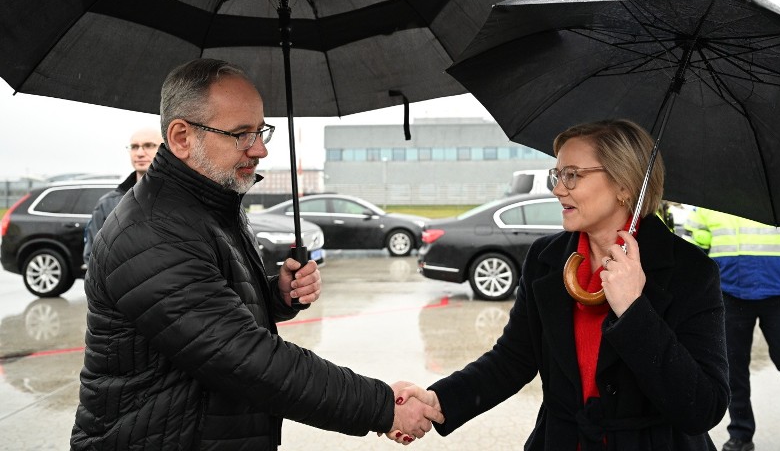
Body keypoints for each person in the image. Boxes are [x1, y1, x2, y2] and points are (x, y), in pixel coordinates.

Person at [71, 59, 442, 450]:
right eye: (241, 134)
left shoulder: (212, 204)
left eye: (261, 130)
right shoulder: (152, 231)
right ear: (181, 137)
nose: (261, 149)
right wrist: (382, 406)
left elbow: (210, 305)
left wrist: (274, 294)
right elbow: (243, 357)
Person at [396, 119, 730, 450]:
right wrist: (438, 401)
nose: (558, 189)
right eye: (557, 175)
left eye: (572, 175)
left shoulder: (690, 272)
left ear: (624, 185)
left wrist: (633, 310)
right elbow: (511, 360)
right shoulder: (547, 258)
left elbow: (703, 407)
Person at [683, 209, 780, 451]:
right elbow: (692, 253)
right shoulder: (709, 204)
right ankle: (741, 435)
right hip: (730, 299)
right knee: (733, 370)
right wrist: (707, 295)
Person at [82, 127, 163, 265]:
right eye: (134, 147)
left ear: (164, 149)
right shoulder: (107, 204)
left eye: (148, 146)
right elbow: (92, 258)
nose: (140, 153)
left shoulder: (183, 199)